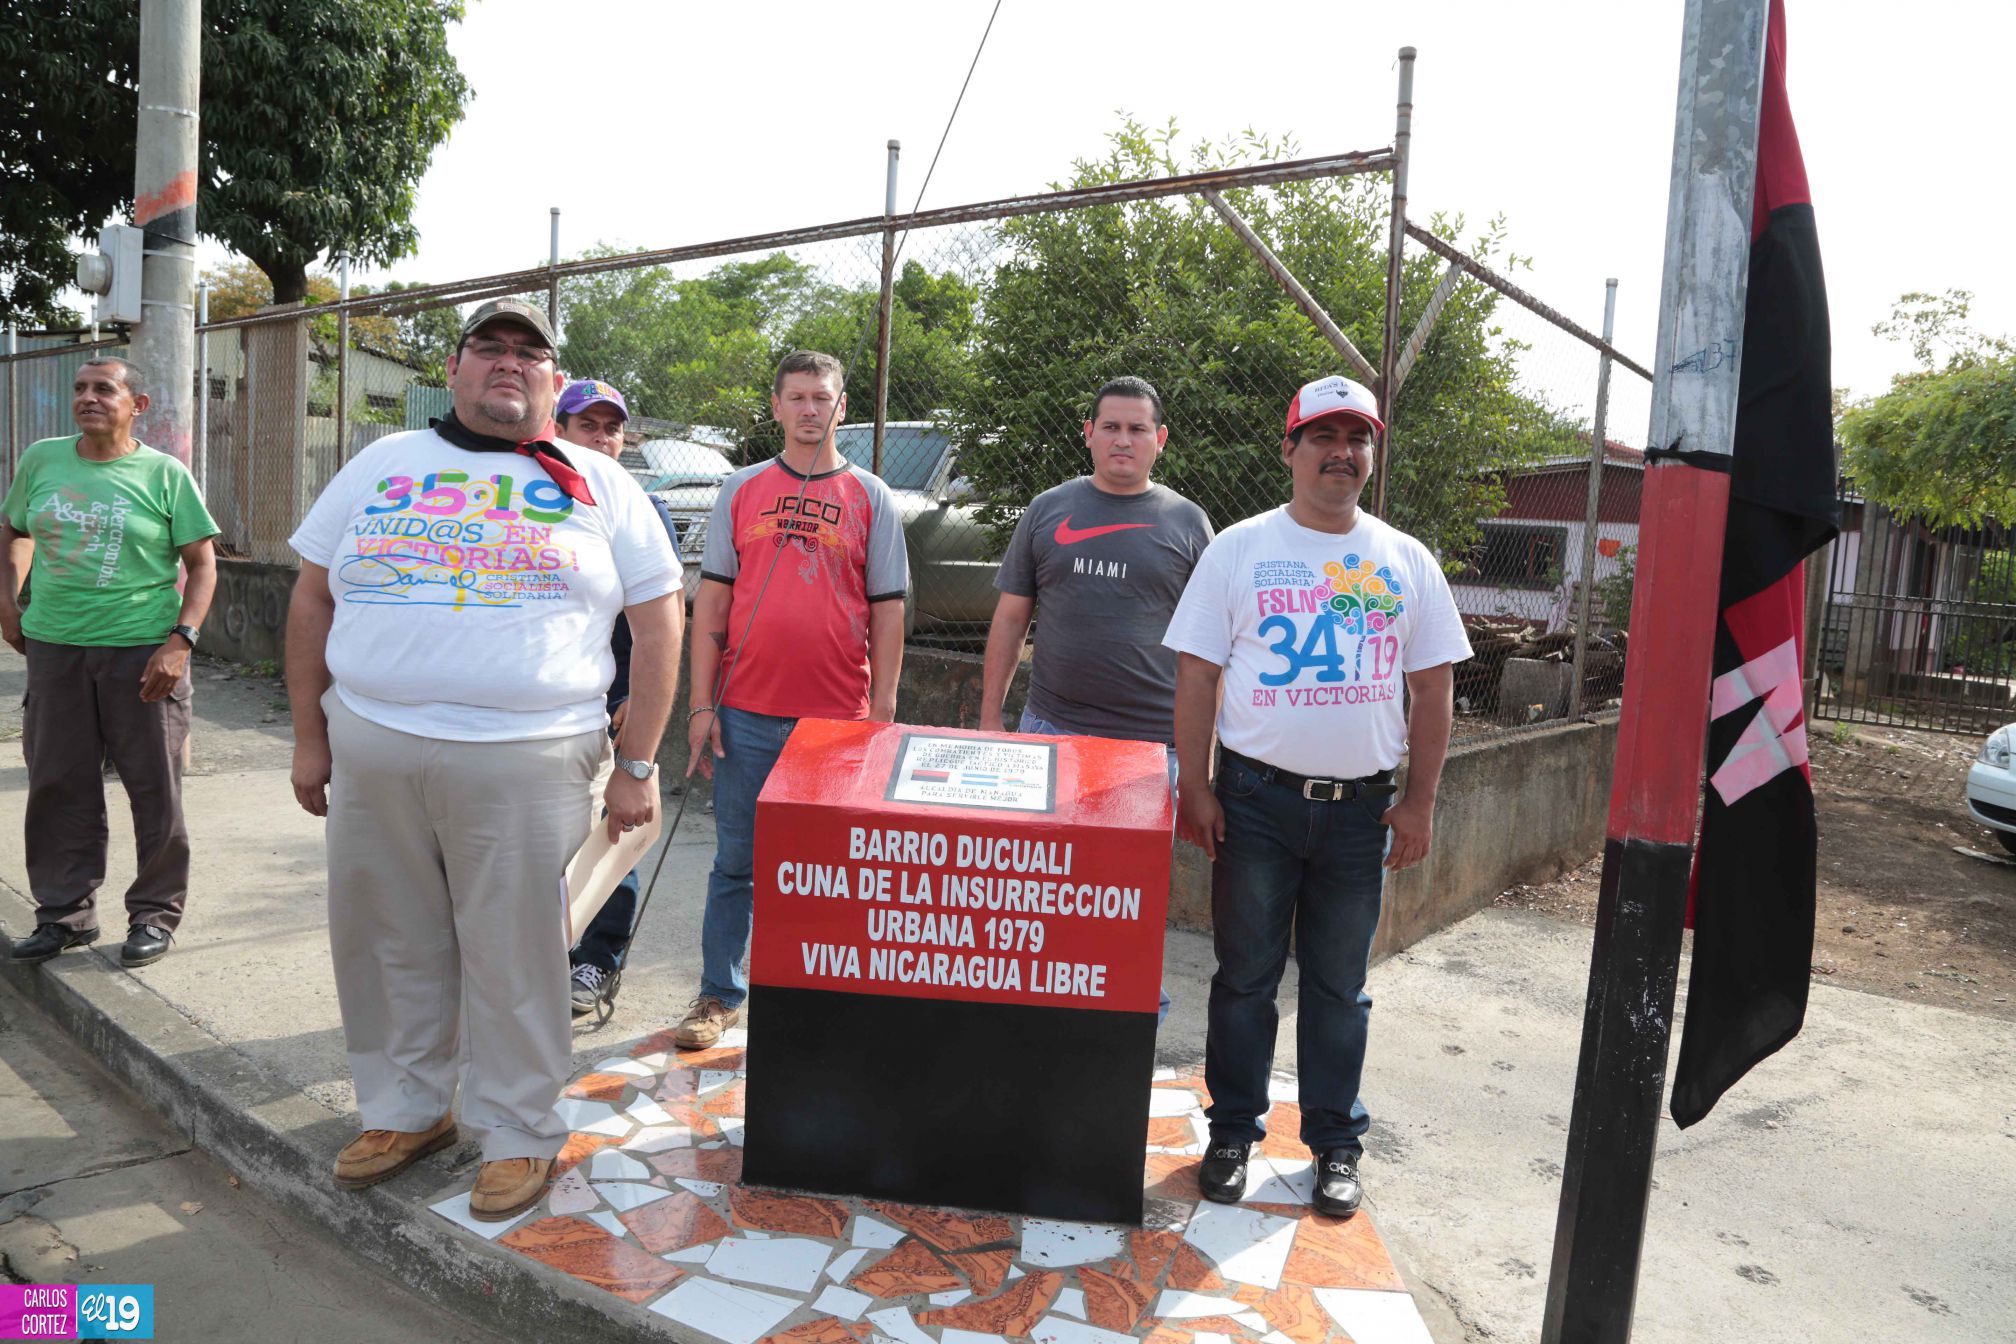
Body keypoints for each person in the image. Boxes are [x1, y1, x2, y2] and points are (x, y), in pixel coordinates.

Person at [286, 298, 684, 1220]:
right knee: (388, 940)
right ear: (457, 370)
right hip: (374, 743)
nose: (509, 363)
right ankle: (406, 1109)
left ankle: (518, 1129)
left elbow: (660, 624)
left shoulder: (601, 482)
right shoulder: (381, 464)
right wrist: (311, 735)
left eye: (528, 354)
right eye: (489, 347)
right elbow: (311, 599)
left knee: (519, 957)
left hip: (530, 754)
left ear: (553, 381)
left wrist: (636, 763)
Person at [1163, 375, 1471, 1219]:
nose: (1342, 453)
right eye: (1324, 436)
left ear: (1371, 454)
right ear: (1290, 448)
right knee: (1246, 978)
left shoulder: (1405, 558)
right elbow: (1198, 671)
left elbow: (1434, 688)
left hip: (1359, 812)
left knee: (1339, 988)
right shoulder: (1240, 549)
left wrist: (1420, 802)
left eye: (1358, 438)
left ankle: (1336, 1148)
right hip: (1257, 802)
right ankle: (1233, 1132)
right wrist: (1198, 785)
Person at [677, 350, 907, 1049]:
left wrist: (884, 712)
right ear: (775, 406)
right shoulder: (740, 490)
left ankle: (824, 998)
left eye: (823, 398)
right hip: (745, 712)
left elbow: (890, 608)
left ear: (842, 409)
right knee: (736, 863)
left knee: (832, 867)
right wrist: (700, 704)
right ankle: (719, 994)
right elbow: (711, 601)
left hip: (835, 723)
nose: (811, 409)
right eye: (797, 397)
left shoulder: (872, 495)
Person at [979, 375, 1213, 1024]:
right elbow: (1008, 621)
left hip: (1149, 753)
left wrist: (1200, 764)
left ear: (1159, 441)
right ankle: (1036, 1020)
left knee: (1128, 900)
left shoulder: (1188, 524)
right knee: (1038, 890)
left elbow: (1209, 654)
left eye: (1138, 428)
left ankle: (1133, 1026)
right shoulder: (1049, 509)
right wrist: (991, 719)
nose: (1123, 439)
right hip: (1049, 734)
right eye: (1109, 426)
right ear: (1088, 434)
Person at [2, 356, 219, 970]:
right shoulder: (42, 460)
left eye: (104, 389)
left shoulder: (163, 474)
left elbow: (203, 565)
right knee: (57, 785)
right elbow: (13, 531)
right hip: (55, 649)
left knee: (156, 790)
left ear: (137, 405)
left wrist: (181, 642)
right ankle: (65, 916)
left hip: (142, 652)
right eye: (80, 389)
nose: (88, 398)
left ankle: (153, 915)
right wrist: (8, 604)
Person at [551, 376, 681, 1018]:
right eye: (586, 427)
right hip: (549, 708)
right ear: (559, 429)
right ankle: (541, 958)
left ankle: (597, 960)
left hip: (613, 701)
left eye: (612, 429)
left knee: (616, 829)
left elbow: (661, 618)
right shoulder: (538, 495)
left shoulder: (642, 507)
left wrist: (635, 695)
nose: (601, 440)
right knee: (548, 843)